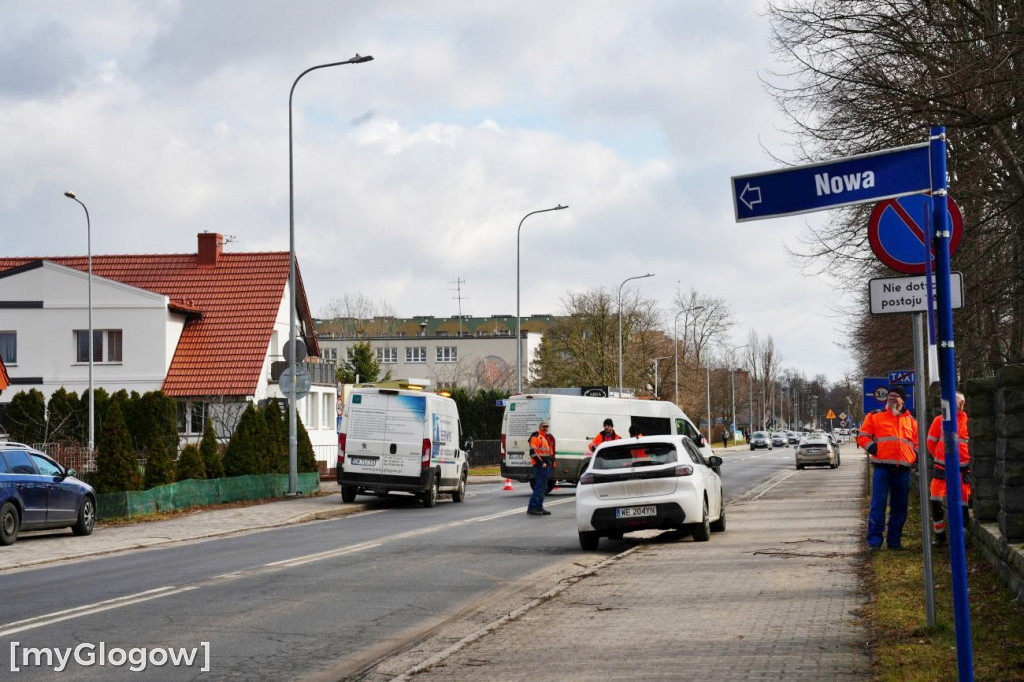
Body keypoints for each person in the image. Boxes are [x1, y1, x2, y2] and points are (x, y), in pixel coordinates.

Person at [857, 385, 918, 550]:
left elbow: (917, 443)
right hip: (882, 468)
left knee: (900, 506)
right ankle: (874, 541)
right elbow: (862, 436)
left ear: (902, 401)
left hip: (903, 470)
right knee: (878, 504)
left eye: (895, 396)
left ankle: (894, 541)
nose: (891, 398)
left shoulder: (911, 421)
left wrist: (914, 455)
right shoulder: (875, 416)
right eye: (889, 396)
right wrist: (873, 448)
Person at [928, 391, 970, 546]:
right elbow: (931, 443)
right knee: (935, 500)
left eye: (956, 401)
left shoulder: (968, 422)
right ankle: (939, 534)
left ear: (963, 404)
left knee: (963, 503)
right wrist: (942, 457)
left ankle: (961, 536)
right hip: (941, 468)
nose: (953, 404)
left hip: (962, 469)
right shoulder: (939, 420)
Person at [527, 420, 556, 516]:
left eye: (547, 426)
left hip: (545, 465)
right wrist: (541, 463)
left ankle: (539, 507)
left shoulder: (544, 437)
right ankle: (532, 507)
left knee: (543, 487)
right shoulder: (536, 437)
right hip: (540, 466)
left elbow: (547, 453)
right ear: (539, 427)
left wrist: (551, 462)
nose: (545, 428)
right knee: (539, 486)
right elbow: (532, 452)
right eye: (544, 426)